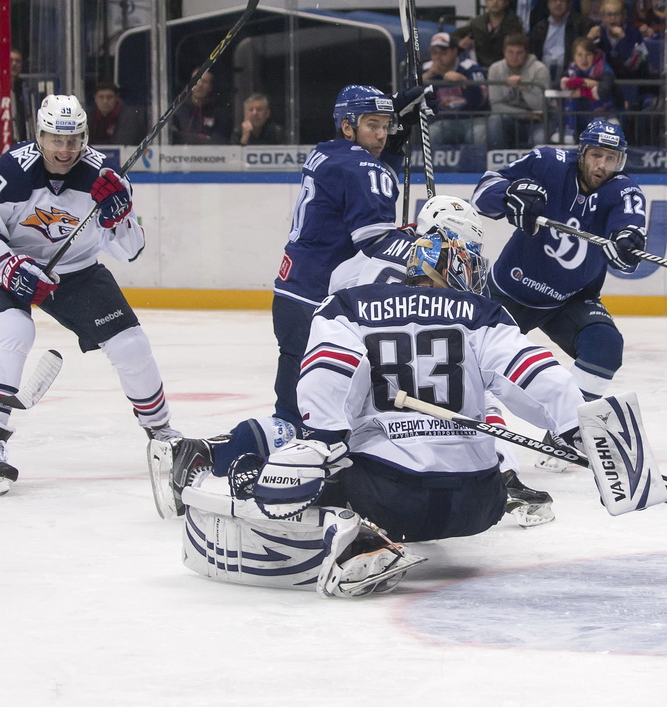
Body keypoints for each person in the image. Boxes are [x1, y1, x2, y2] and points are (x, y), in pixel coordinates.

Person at [151, 229, 585, 597]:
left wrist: (324, 444)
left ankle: (353, 538)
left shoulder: (349, 306)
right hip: (478, 506)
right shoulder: (483, 314)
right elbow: (545, 379)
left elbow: (329, 374)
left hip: (387, 498)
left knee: (300, 464)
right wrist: (576, 429)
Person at [0, 95, 180, 496]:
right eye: (55, 140)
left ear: (84, 137)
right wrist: (12, 270)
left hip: (76, 273)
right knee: (13, 330)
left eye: (73, 140)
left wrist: (118, 216)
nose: (64, 150)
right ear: (39, 136)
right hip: (10, 266)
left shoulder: (105, 175)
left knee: (132, 345)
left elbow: (130, 250)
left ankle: (162, 433)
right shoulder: (11, 172)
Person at [271, 84, 434, 428]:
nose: (381, 134)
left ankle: (276, 450)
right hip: (319, 305)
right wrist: (425, 249)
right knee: (326, 411)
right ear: (348, 126)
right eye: (371, 125)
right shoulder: (364, 168)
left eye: (386, 125)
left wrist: (393, 145)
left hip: (292, 295)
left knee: (293, 406)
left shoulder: (326, 152)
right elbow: (375, 244)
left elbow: (356, 173)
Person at [471, 119, 646, 404]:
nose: (602, 165)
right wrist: (509, 195)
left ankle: (569, 428)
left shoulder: (625, 192)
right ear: (582, 152)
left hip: (569, 301)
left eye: (611, 158)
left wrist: (627, 247)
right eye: (596, 155)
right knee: (471, 360)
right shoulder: (547, 162)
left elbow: (629, 246)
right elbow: (482, 193)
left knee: (605, 346)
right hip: (510, 291)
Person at [422, 32, 489, 145]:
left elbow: (480, 101)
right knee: (432, 134)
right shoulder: (426, 69)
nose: (438, 57)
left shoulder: (470, 67)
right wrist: (428, 76)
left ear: (454, 51)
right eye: (434, 52)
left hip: (473, 119)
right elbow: (408, 96)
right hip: (443, 120)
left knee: (479, 134)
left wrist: (464, 82)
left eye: (443, 52)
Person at [487, 34, 550, 150]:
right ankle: (497, 165)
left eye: (519, 53)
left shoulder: (539, 69)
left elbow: (540, 106)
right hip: (511, 120)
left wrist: (524, 87)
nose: (514, 57)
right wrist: (523, 114)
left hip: (537, 123)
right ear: (504, 52)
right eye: (510, 52)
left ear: (526, 53)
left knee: (539, 140)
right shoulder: (495, 69)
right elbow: (496, 106)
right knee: (494, 120)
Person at [559, 36, 618, 140]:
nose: (583, 59)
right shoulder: (572, 70)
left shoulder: (605, 71)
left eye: (588, 55)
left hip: (603, 119)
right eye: (580, 55)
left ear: (594, 56)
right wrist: (584, 81)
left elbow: (602, 92)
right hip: (578, 119)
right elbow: (557, 85)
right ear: (574, 56)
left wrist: (581, 91)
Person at [0, 48, 30, 167]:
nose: (14, 64)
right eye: (10, 60)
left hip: (20, 148)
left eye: (17, 61)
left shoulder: (24, 89)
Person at [530, 0, 596, 84]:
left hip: (572, 79)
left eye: (562, 0)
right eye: (554, 0)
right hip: (541, 80)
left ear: (569, 3)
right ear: (548, 3)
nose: (558, 3)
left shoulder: (582, 25)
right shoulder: (539, 28)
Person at [450, 0, 525, 70]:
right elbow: (452, 36)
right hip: (482, 68)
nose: (495, 2)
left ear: (506, 2)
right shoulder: (477, 23)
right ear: (486, 2)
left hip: (507, 69)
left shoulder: (515, 24)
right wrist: (459, 42)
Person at [170, 68, 232, 145]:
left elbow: (219, 140)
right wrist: (200, 138)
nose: (199, 84)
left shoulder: (219, 113)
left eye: (204, 82)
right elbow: (171, 136)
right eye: (196, 80)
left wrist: (185, 137)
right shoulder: (178, 110)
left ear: (210, 87)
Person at [86, 79, 147, 146]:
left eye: (109, 97)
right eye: (101, 97)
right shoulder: (87, 117)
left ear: (116, 98)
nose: (105, 101)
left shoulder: (130, 118)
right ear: (95, 99)